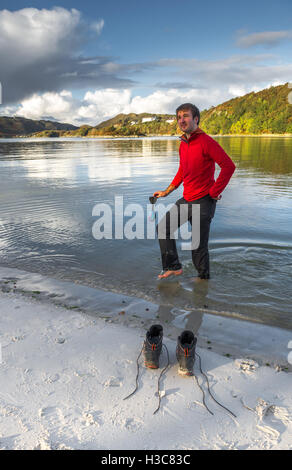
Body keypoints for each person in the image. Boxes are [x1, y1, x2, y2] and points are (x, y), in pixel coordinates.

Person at [153, 103, 236, 280]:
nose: (181, 120)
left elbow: (228, 166)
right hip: (187, 199)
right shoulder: (183, 143)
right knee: (163, 228)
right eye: (179, 117)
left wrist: (214, 192)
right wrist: (167, 191)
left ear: (196, 118)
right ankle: (173, 266)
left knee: (198, 245)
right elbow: (182, 170)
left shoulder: (207, 142)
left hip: (204, 201)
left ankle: (203, 282)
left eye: (185, 116)